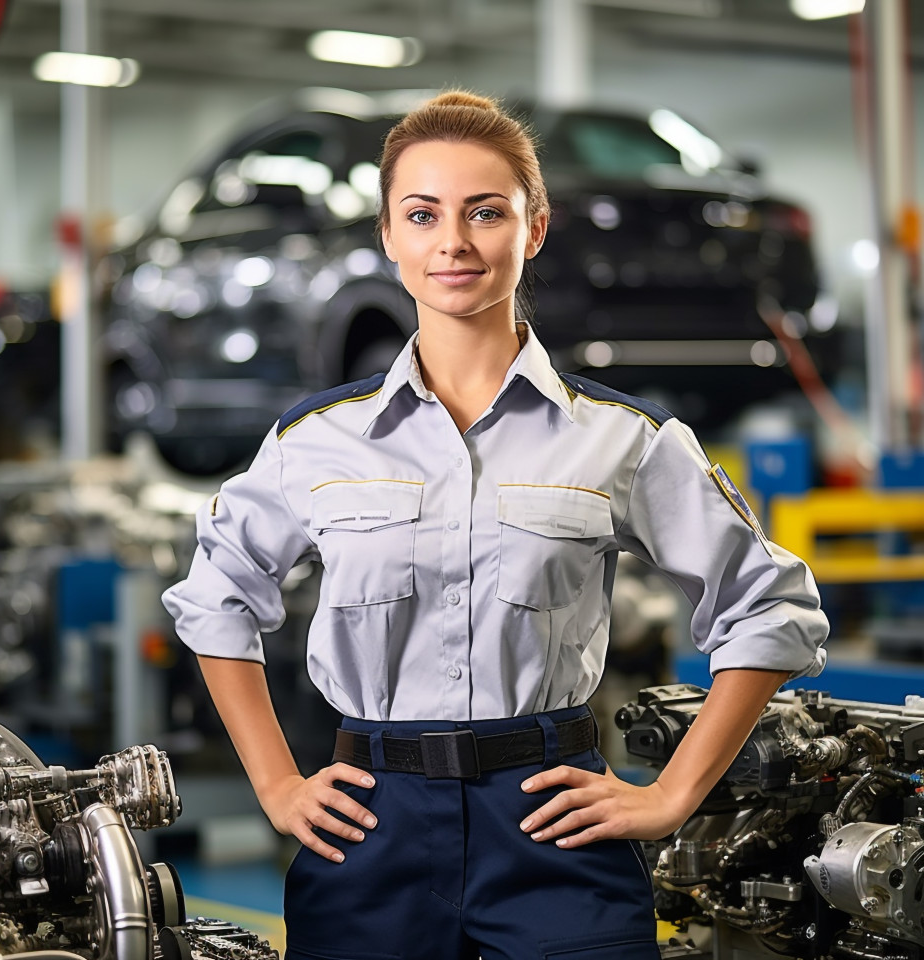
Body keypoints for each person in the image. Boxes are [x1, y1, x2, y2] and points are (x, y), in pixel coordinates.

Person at [162, 91, 828, 960]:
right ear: (388, 236)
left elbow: (772, 606)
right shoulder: (314, 441)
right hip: (370, 825)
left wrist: (671, 794)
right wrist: (277, 783)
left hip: (555, 824)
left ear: (534, 228)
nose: (454, 242)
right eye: (422, 214)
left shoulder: (622, 438)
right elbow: (214, 596)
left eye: (486, 212)